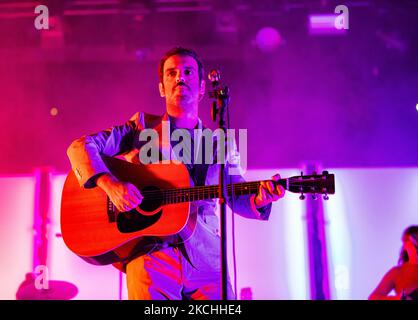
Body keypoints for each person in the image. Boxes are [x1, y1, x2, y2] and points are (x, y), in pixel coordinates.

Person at [67, 47, 286, 300]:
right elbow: (79, 147)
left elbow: (236, 192)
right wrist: (110, 183)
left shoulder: (221, 141)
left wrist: (261, 199)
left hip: (207, 260)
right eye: (171, 73)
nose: (180, 77)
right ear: (161, 87)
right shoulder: (140, 128)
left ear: (203, 87)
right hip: (152, 256)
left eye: (188, 72)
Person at [369, 225, 418, 300]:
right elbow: (373, 297)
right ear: (405, 245)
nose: (416, 245)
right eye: (413, 242)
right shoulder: (397, 272)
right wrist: (396, 298)